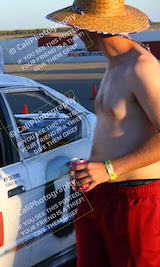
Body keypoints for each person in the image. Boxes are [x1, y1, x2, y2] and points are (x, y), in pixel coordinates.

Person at [47, 0, 160, 266]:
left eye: (76, 24)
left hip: (135, 199)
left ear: (91, 27)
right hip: (98, 194)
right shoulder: (113, 64)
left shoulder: (142, 66)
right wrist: (94, 168)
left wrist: (109, 168)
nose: (74, 30)